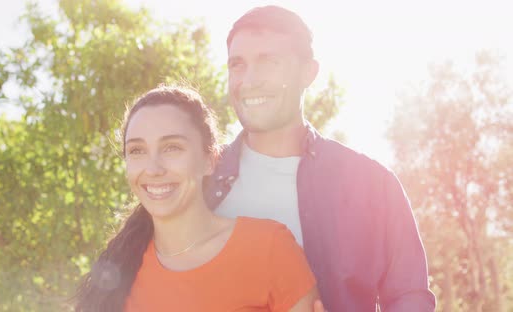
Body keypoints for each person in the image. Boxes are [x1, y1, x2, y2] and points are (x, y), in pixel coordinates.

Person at [204, 5, 436, 311]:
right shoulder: (199, 183)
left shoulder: (372, 185)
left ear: (308, 73)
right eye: (237, 65)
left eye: (268, 62)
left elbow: (409, 298)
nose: (249, 80)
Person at [75, 85, 322, 312]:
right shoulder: (119, 270)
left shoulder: (270, 248)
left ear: (210, 159)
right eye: (137, 150)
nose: (153, 168)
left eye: (172, 147)